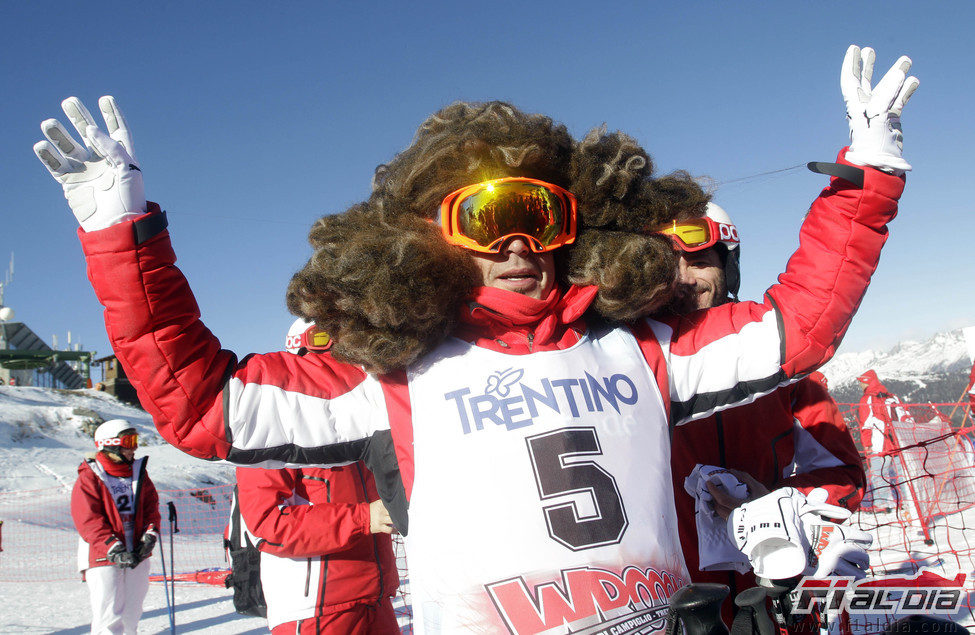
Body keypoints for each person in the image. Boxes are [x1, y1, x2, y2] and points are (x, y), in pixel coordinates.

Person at [36, 44, 916, 633]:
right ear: (432, 240)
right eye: (482, 217)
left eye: (539, 212)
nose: (517, 242)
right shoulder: (394, 378)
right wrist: (123, 234)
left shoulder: (642, 348)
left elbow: (798, 327)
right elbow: (199, 402)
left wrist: (867, 181)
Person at [659, 203, 866, 623]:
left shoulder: (780, 374)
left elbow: (844, 473)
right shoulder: (634, 370)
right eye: (668, 268)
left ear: (728, 266)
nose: (683, 279)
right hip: (678, 601)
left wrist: (782, 502)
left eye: (699, 262)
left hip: (775, 584)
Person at [232, 319, 400, 634]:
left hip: (375, 594)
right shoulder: (269, 425)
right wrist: (365, 517)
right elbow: (267, 525)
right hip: (315, 608)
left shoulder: (360, 419)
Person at [71, 419, 160, 635]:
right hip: (104, 554)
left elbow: (151, 508)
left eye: (136, 441)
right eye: (129, 441)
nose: (134, 448)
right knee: (109, 616)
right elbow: (88, 519)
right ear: (110, 444)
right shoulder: (90, 476)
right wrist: (112, 547)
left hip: (136, 551)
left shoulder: (138, 474)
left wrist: (150, 534)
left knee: (132, 613)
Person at [857, 369, 905, 511]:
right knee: (901, 475)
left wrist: (867, 445)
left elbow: (866, 425)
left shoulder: (867, 399)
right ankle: (908, 502)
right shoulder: (892, 397)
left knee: (878, 474)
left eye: (861, 383)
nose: (860, 386)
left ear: (866, 382)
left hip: (879, 444)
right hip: (898, 442)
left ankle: (882, 503)